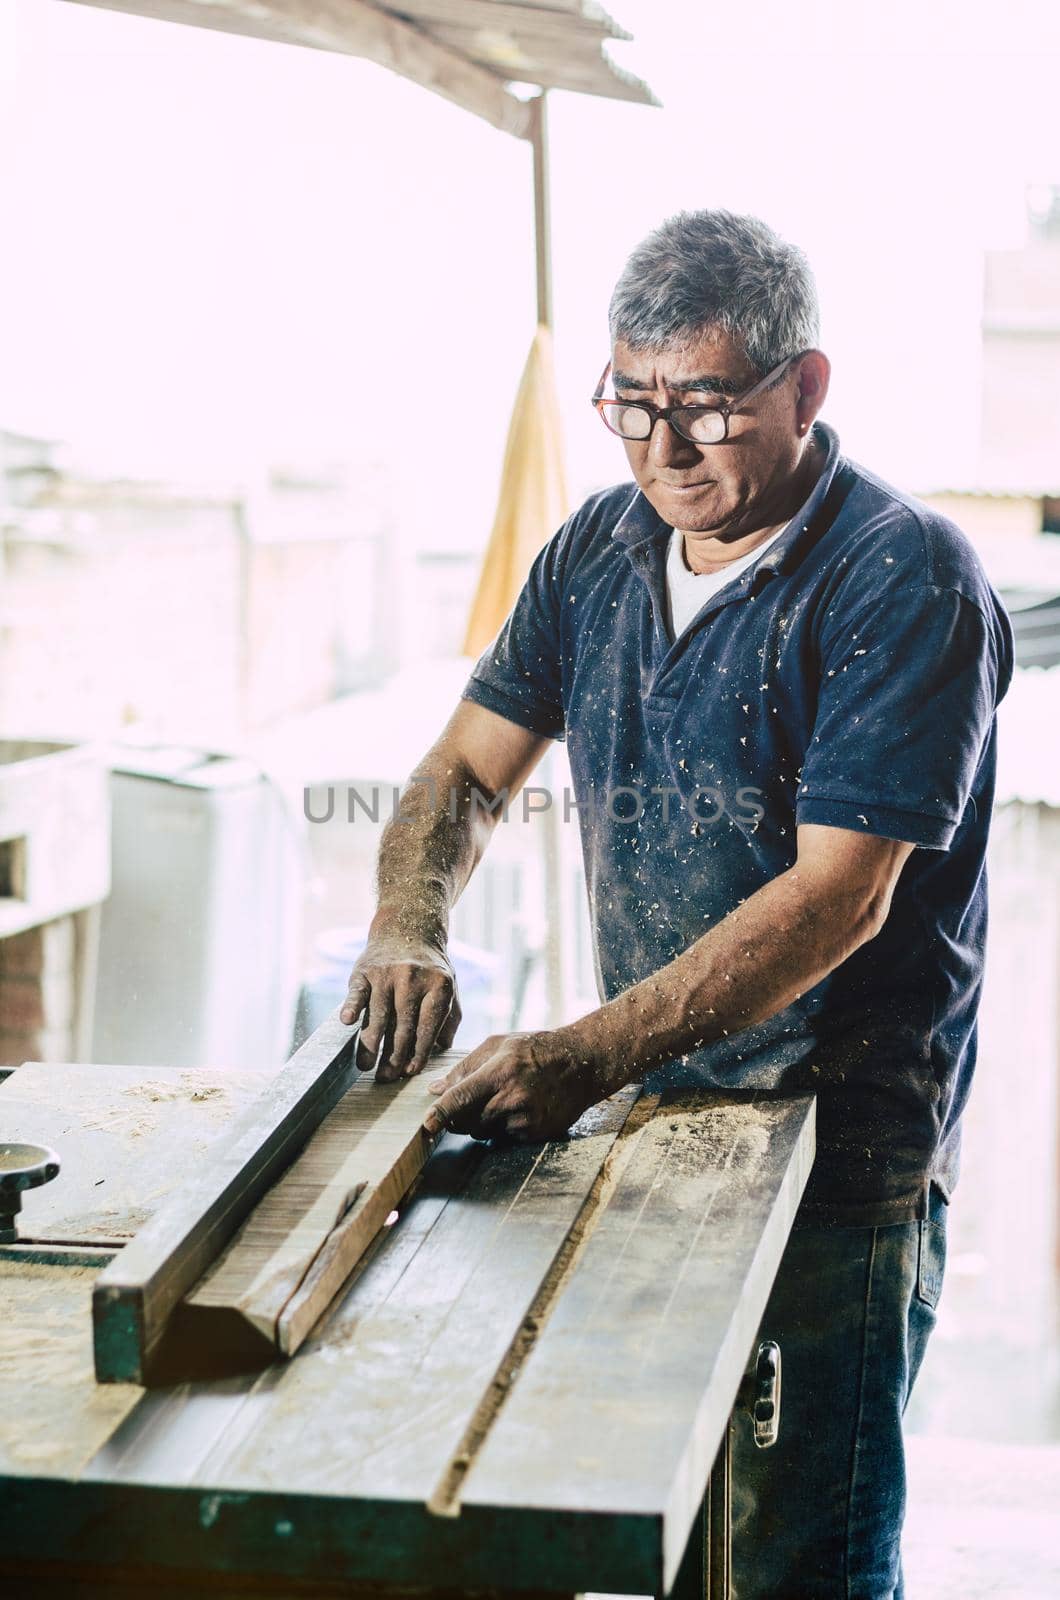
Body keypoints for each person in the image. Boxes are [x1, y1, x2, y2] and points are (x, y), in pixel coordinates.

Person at [339, 209, 1013, 1598]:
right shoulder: (596, 549)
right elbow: (464, 769)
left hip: (837, 1159)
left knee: (797, 1561)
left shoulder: (903, 574)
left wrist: (582, 1055)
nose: (664, 447)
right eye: (631, 404)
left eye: (706, 403)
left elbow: (839, 897)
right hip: (658, 1128)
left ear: (805, 388)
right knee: (664, 1540)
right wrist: (407, 920)